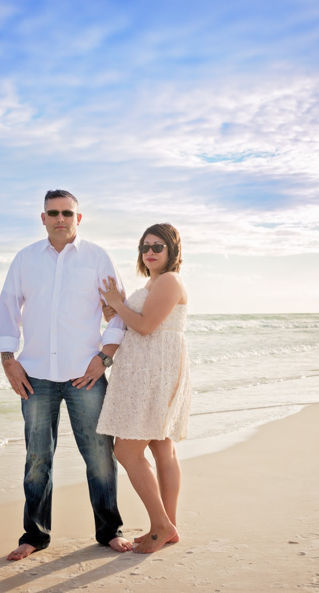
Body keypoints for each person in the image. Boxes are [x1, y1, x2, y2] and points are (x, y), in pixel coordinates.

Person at [0, 189, 133, 560]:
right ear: (43, 218)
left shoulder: (97, 257)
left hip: (84, 373)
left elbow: (120, 309)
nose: (60, 219)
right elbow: (8, 307)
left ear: (78, 218)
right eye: (53, 213)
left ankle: (110, 530)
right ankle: (34, 536)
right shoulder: (25, 259)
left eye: (67, 213)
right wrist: (9, 358)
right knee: (38, 457)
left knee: (100, 455)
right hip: (35, 374)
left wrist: (104, 357)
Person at [97, 222, 190, 554]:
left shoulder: (169, 280)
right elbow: (137, 320)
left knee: (126, 451)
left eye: (157, 247)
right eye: (144, 247)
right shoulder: (154, 282)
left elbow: (147, 327)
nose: (149, 252)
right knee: (162, 448)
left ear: (172, 251)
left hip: (154, 372)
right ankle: (166, 527)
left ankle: (163, 525)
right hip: (149, 369)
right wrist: (116, 308)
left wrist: (117, 303)